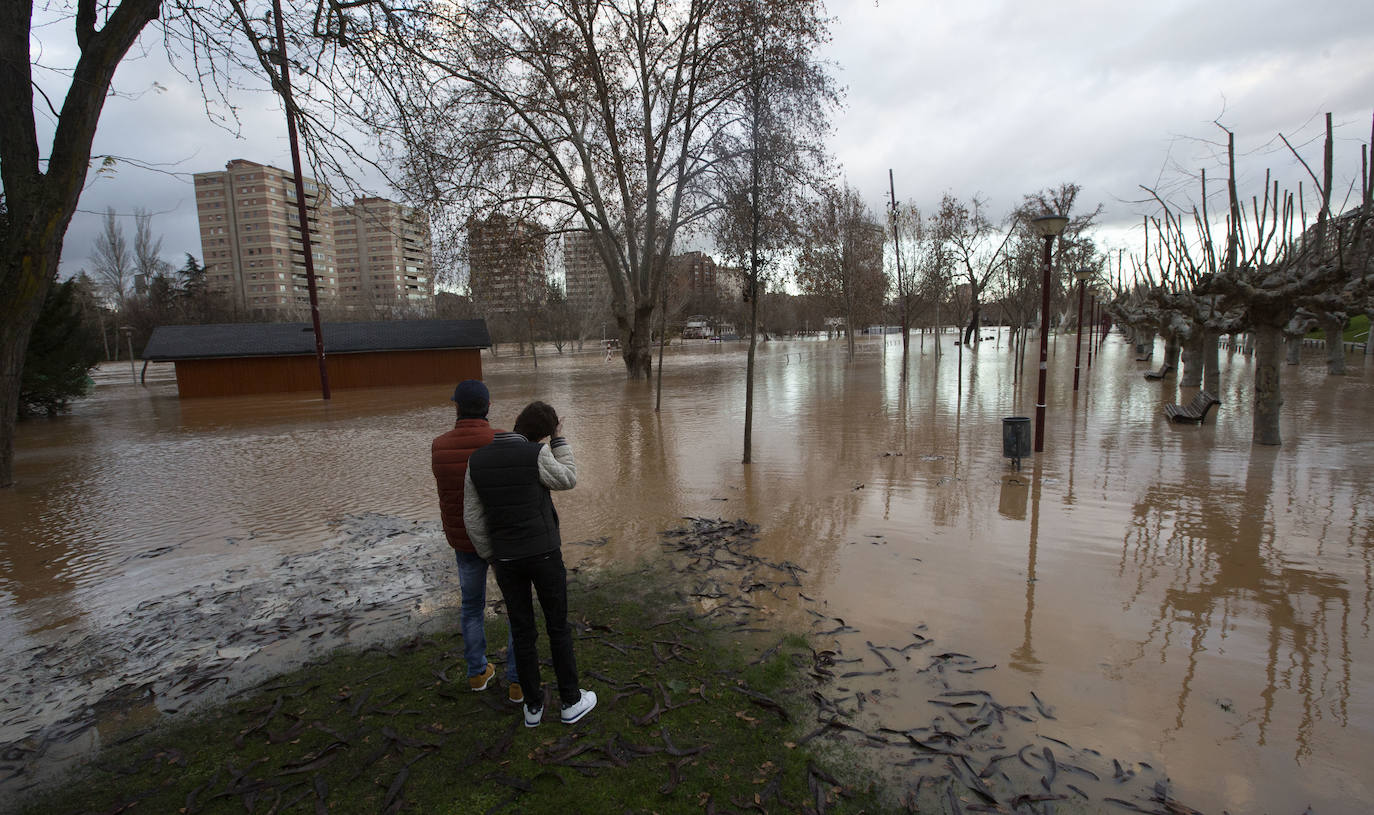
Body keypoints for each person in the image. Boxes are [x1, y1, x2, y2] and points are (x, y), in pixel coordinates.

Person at [463, 401, 596, 728]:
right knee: (557, 626)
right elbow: (568, 478)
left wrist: (489, 555)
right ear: (544, 434)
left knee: (522, 630)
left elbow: (473, 519)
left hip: (506, 559)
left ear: (517, 423)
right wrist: (559, 441)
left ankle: (532, 707)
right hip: (544, 554)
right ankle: (570, 701)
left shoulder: (476, 461)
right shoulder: (536, 455)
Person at [431, 379, 521, 703]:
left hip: (464, 541)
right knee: (516, 607)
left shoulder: (439, 446)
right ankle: (517, 682)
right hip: (502, 541)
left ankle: (477, 673)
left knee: (471, 607)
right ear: (489, 407)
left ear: (456, 407)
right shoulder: (504, 441)